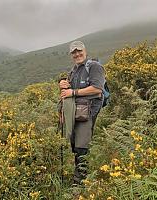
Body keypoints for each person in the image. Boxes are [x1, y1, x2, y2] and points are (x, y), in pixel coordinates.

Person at [59, 40, 105, 184]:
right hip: (76, 112)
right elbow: (67, 93)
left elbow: (97, 88)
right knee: (75, 144)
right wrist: (63, 84)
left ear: (85, 51)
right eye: (74, 52)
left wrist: (73, 92)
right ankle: (79, 175)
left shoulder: (94, 67)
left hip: (88, 112)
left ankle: (80, 181)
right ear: (71, 55)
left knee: (82, 146)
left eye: (79, 51)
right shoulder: (73, 71)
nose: (77, 54)